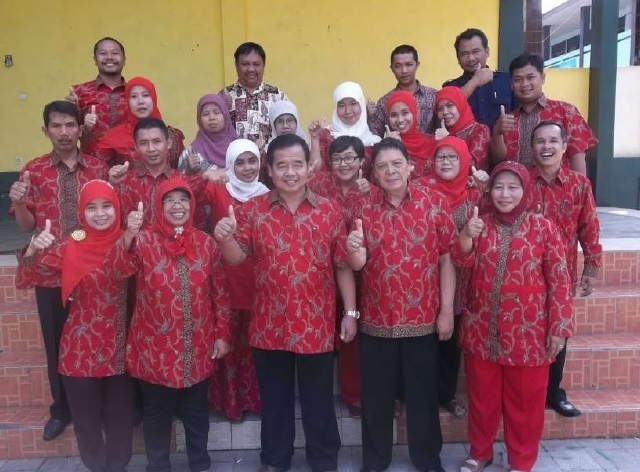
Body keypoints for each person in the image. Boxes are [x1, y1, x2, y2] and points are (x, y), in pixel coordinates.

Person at [214, 134, 357, 472]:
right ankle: (275, 460)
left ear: (309, 167)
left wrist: (350, 312)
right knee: (275, 401)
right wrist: (224, 239)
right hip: (269, 324)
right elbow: (236, 258)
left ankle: (324, 461)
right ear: (270, 169)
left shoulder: (330, 211)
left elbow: (342, 265)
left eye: (297, 164)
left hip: (315, 324)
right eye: (282, 166)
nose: (290, 172)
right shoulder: (253, 211)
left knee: (318, 400)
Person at [346, 138, 457, 472]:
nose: (390, 171)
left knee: (423, 397)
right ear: (374, 173)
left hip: (422, 320)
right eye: (382, 166)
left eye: (396, 164)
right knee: (376, 399)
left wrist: (446, 311)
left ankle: (428, 460)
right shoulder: (362, 207)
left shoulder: (434, 203)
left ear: (410, 166)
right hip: (376, 320)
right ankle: (375, 461)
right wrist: (354, 250)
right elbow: (356, 264)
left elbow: (447, 258)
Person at [456, 161, 573, 472]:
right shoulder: (480, 223)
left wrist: (559, 326)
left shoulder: (543, 228)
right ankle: (480, 453)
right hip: (483, 329)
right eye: (498, 187)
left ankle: (521, 461)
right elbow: (461, 262)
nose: (505, 194)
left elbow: (560, 280)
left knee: (525, 403)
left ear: (525, 190)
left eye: (513, 187)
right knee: (482, 399)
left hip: (529, 333)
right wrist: (466, 235)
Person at [112, 177, 231, 472]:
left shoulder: (206, 243)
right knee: (157, 412)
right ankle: (158, 466)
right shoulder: (143, 241)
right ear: (159, 205)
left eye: (183, 200)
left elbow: (220, 293)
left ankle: (199, 463)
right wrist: (128, 235)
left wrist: (222, 334)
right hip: (154, 346)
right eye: (169, 200)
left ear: (192, 205)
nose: (177, 206)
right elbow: (119, 271)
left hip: (197, 343)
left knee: (196, 410)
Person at [16, 180, 133, 472]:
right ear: (82, 211)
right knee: (86, 420)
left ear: (117, 208)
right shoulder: (70, 245)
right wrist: (32, 250)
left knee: (120, 418)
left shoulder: (129, 241)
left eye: (106, 206)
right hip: (80, 350)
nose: (100, 214)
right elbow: (25, 279)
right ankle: (97, 467)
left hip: (120, 347)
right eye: (91, 207)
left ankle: (117, 466)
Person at [8, 100, 108, 441]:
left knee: (96, 339)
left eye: (69, 125)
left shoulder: (97, 168)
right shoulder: (33, 171)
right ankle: (61, 409)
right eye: (56, 126)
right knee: (56, 343)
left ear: (80, 129)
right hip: (49, 273)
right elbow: (26, 227)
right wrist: (18, 201)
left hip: (92, 273)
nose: (64, 132)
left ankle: (98, 408)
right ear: (45, 130)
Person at [528, 121, 602, 418]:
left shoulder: (579, 185)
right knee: (529, 332)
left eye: (552, 141)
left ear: (564, 146)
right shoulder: (521, 182)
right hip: (525, 275)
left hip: (562, 275)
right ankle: (530, 392)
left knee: (559, 331)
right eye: (540, 141)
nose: (546, 147)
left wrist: (591, 268)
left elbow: (590, 229)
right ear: (532, 147)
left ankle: (554, 391)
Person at [419, 136, 488, 420]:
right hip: (422, 279)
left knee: (449, 341)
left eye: (452, 157)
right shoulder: (420, 192)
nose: (446, 162)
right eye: (441, 157)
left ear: (465, 161)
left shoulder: (475, 196)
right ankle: (410, 395)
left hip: (462, 278)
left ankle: (446, 395)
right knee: (419, 343)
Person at [307, 135, 374, 417]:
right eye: (337, 158)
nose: (343, 164)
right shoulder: (318, 184)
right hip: (322, 269)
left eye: (349, 158)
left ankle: (355, 394)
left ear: (361, 161)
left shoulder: (372, 190)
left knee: (354, 335)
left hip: (362, 272)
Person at [208, 139, 267, 421]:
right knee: (229, 343)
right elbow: (186, 195)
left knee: (255, 346)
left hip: (258, 281)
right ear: (229, 165)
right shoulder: (218, 190)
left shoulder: (269, 195)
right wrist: (205, 175)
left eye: (252, 161)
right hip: (226, 280)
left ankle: (256, 402)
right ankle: (231, 405)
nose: (247, 168)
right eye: (239, 162)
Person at [491, 53, 597, 174]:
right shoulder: (507, 119)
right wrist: (497, 132)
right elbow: (498, 161)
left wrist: (579, 185)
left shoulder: (566, 112)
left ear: (542, 78)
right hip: (517, 185)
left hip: (559, 185)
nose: (524, 84)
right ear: (511, 84)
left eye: (530, 77)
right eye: (518, 80)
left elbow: (577, 156)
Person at [108, 117, 209, 230]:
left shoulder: (183, 183)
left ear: (169, 143)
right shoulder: (124, 183)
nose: (151, 149)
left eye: (157, 141)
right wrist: (112, 184)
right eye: (143, 143)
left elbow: (198, 227)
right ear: (136, 147)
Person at [97, 76, 185, 167]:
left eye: (145, 95)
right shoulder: (113, 137)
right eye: (134, 96)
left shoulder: (173, 137)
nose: (140, 101)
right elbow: (99, 170)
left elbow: (182, 171)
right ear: (127, 101)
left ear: (153, 98)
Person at [442, 28, 514, 131]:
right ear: (458, 58)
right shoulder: (451, 87)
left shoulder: (506, 81)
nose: (471, 58)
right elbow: (448, 106)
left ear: (487, 52)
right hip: (464, 141)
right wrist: (475, 81)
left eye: (475, 51)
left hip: (502, 140)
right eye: (464, 54)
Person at [66, 37, 128, 156]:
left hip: (130, 164)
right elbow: (69, 133)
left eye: (115, 53)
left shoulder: (136, 93)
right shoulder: (79, 92)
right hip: (91, 164)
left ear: (124, 59)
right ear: (95, 60)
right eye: (103, 53)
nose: (109, 57)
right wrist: (68, 112)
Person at [220, 42, 289, 143]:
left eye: (256, 64)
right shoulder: (225, 95)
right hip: (234, 153)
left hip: (272, 153)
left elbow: (290, 129)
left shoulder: (277, 95)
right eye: (245, 64)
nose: (251, 69)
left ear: (263, 65)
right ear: (236, 65)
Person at [310, 81, 381, 178]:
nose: (347, 111)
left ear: (361, 105)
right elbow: (315, 172)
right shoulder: (325, 135)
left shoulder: (374, 141)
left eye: (353, 104)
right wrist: (314, 138)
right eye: (342, 105)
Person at [368, 44, 438, 136]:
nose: (404, 70)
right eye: (398, 66)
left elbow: (445, 128)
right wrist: (369, 117)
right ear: (392, 69)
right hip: (397, 145)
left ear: (417, 65)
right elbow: (375, 137)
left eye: (409, 65)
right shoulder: (384, 102)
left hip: (430, 145)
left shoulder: (434, 96)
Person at [178, 94, 237, 173]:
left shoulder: (239, 147)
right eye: (205, 114)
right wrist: (188, 169)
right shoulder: (191, 152)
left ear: (225, 115)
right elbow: (180, 177)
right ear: (199, 119)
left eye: (216, 112)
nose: (212, 117)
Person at [435, 86, 491, 171]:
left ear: (460, 105)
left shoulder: (479, 130)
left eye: (449, 105)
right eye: (440, 108)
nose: (445, 112)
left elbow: (474, 167)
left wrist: (446, 140)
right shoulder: (439, 133)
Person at [384, 90, 435, 178]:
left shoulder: (432, 142)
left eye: (405, 113)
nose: (400, 120)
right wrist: (388, 147)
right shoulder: (384, 147)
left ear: (414, 113)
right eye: (394, 115)